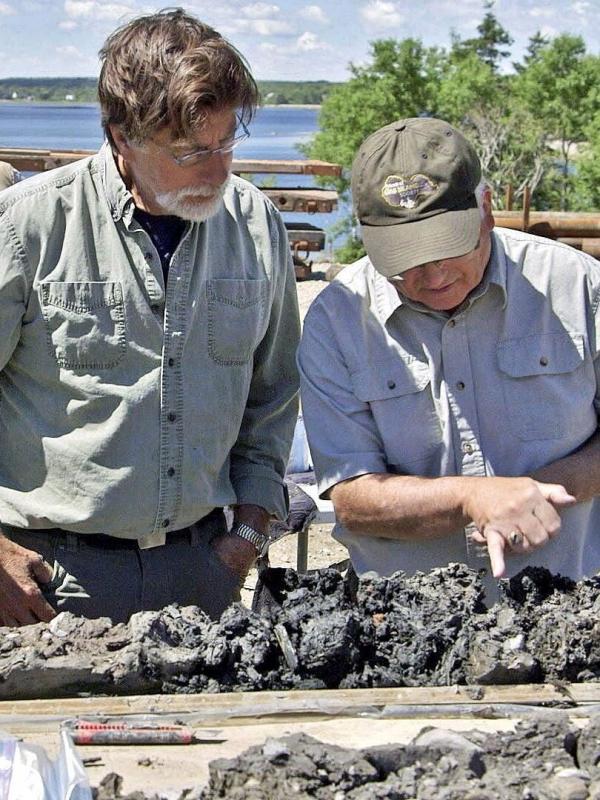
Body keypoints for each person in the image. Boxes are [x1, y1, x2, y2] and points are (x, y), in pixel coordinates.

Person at [0, 8, 299, 626]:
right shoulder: (25, 226)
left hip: (203, 575)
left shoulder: (256, 224)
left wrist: (247, 536)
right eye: (191, 152)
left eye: (225, 144)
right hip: (42, 584)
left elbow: (272, 398)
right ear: (120, 138)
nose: (218, 171)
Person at [298, 117, 600, 594]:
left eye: (448, 247)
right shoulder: (337, 320)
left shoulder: (579, 287)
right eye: (406, 259)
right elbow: (351, 496)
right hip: (408, 626)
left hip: (571, 606)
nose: (433, 274)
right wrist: (471, 498)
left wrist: (532, 496)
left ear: (486, 209)